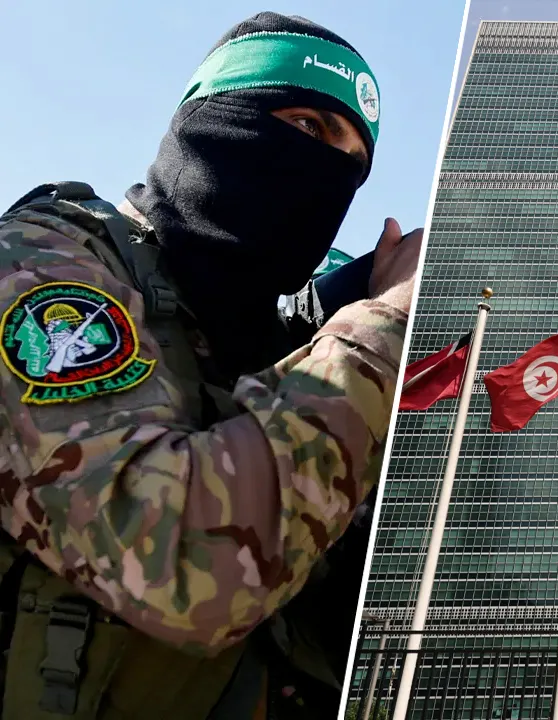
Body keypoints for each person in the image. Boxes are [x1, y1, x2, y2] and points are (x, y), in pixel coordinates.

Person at [0, 12, 420, 720]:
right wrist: (385, 327)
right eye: (309, 127)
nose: (327, 173)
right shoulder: (49, 265)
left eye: (352, 163)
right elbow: (185, 564)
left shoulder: (275, 354)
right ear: (214, 117)